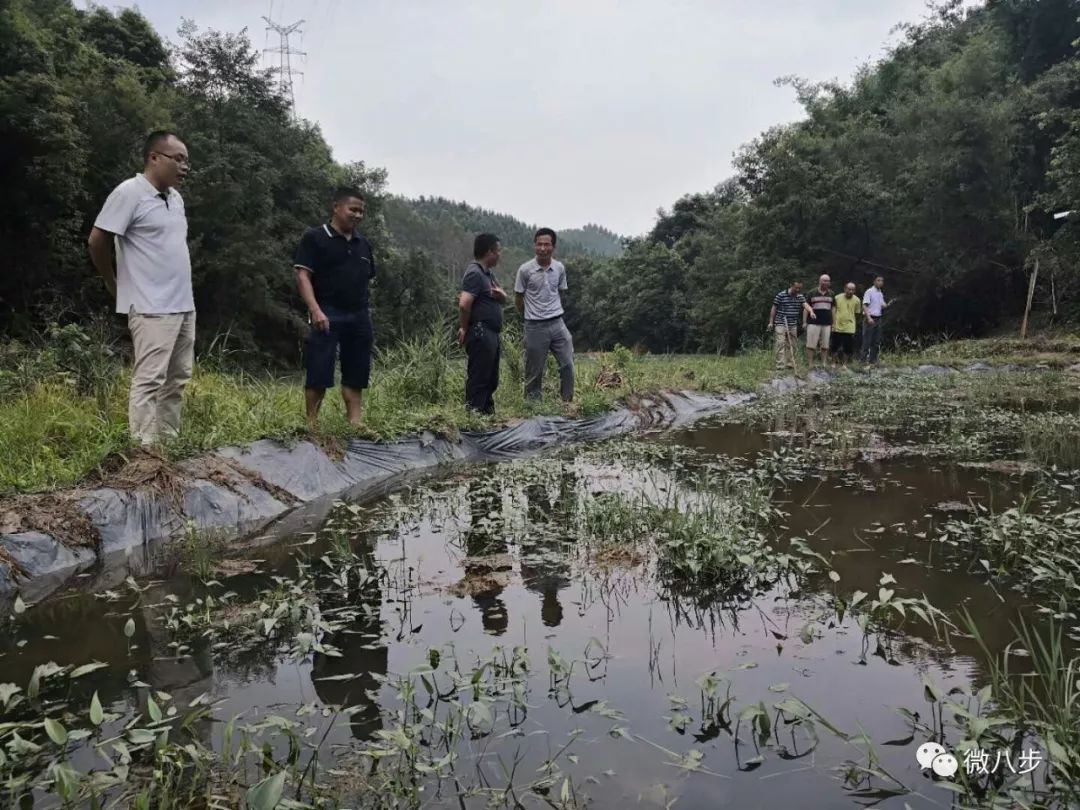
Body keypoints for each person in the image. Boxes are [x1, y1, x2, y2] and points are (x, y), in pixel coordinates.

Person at [88, 130, 194, 447]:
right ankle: (144, 453)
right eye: (178, 159)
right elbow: (97, 240)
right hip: (150, 306)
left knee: (177, 379)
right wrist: (111, 280)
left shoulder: (175, 199)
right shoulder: (129, 192)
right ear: (154, 158)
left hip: (183, 304)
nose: (185, 167)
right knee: (150, 380)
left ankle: (168, 445)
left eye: (187, 161)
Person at [293, 187, 377, 429]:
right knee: (319, 368)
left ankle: (355, 422)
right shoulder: (315, 237)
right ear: (337, 207)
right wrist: (315, 309)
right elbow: (303, 276)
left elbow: (367, 277)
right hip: (327, 311)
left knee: (357, 370)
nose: (358, 215)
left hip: (359, 314)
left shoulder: (363, 244)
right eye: (353, 209)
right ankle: (311, 424)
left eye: (361, 211)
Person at [515, 228, 574, 402]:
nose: (542, 248)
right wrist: (528, 316)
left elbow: (560, 292)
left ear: (553, 247)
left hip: (557, 323)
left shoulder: (559, 268)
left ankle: (567, 402)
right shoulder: (525, 270)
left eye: (546, 244)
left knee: (568, 364)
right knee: (534, 371)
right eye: (539, 244)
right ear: (535, 246)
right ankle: (533, 409)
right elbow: (518, 298)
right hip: (534, 326)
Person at [458, 233, 507, 413]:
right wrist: (464, 328)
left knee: (490, 378)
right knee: (479, 378)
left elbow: (500, 296)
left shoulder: (488, 275)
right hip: (480, 332)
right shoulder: (474, 273)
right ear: (489, 252)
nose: (499, 255)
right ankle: (473, 419)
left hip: (491, 333)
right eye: (498, 251)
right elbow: (464, 304)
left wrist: (503, 297)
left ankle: (487, 416)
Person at [767, 280, 815, 371]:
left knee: (793, 344)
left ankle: (790, 364)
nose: (798, 290)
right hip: (781, 322)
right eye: (796, 288)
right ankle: (780, 366)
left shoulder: (800, 296)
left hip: (792, 324)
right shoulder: (781, 295)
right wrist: (771, 322)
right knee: (780, 343)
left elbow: (806, 305)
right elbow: (774, 308)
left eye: (800, 288)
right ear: (791, 285)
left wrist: (811, 312)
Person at [805, 274, 834, 368]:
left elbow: (833, 309)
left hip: (827, 323)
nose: (826, 282)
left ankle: (823, 363)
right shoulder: (811, 293)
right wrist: (804, 322)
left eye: (827, 281)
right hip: (813, 322)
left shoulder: (832, 294)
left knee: (825, 345)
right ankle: (810, 363)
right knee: (811, 344)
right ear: (819, 281)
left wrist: (834, 322)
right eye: (824, 280)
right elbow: (806, 307)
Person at [861, 275, 889, 366]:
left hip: (878, 318)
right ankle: (863, 361)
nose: (880, 282)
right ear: (874, 281)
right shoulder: (869, 291)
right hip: (870, 317)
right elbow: (865, 305)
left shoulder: (880, 293)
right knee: (867, 340)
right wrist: (869, 318)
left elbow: (882, 304)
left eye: (882, 281)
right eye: (878, 280)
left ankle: (873, 361)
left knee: (876, 341)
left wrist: (886, 305)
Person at [832, 282, 861, 367]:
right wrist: (833, 323)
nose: (851, 291)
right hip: (837, 325)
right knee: (835, 345)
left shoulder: (857, 300)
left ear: (854, 290)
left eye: (853, 290)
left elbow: (857, 313)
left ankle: (844, 364)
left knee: (848, 347)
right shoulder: (837, 298)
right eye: (849, 289)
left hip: (849, 327)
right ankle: (833, 363)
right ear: (845, 289)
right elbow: (833, 311)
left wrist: (852, 322)